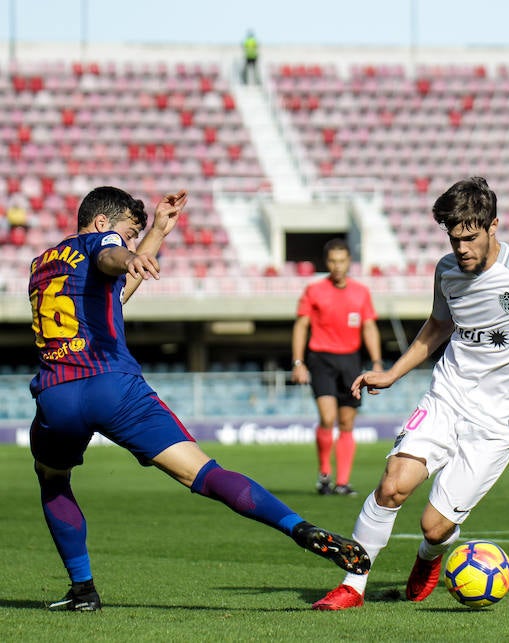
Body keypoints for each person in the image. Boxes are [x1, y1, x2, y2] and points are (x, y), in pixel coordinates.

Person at [29, 186, 369, 612]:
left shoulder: (41, 264)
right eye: (128, 234)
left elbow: (111, 298)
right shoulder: (104, 243)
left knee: (53, 478)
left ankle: (82, 591)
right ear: (102, 223)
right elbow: (110, 256)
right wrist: (129, 254)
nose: (131, 243)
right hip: (112, 387)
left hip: (57, 393)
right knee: (203, 473)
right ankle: (297, 528)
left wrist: (155, 234)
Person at [310, 176, 509, 610]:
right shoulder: (446, 270)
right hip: (446, 397)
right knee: (392, 485)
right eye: (453, 238)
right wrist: (393, 373)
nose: (461, 248)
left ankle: (430, 555)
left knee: (433, 526)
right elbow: (439, 325)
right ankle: (352, 585)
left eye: (470, 237)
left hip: (497, 422)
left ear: (494, 226)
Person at [291, 238, 382, 496]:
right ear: (326, 262)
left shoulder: (361, 292)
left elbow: (369, 327)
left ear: (349, 262)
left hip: (351, 361)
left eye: (342, 260)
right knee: (328, 418)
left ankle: (342, 483)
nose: (338, 265)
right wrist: (298, 362)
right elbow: (301, 325)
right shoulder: (314, 290)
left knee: (346, 422)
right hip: (321, 359)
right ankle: (324, 475)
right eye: (333, 260)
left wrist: (376, 362)